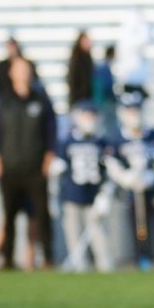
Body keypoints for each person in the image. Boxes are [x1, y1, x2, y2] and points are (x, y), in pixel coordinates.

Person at [0, 57, 57, 270]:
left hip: (35, 168)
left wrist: (49, 157)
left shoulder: (41, 100)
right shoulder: (4, 101)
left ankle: (48, 258)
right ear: (11, 73)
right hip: (10, 168)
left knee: (42, 215)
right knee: (9, 216)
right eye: (19, 70)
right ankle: (8, 260)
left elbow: (51, 131)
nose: (23, 74)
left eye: (26, 70)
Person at [107, 92, 154, 270]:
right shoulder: (118, 139)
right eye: (130, 111)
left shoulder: (153, 136)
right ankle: (143, 262)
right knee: (138, 230)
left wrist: (153, 175)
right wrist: (126, 178)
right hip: (132, 192)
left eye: (136, 110)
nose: (134, 114)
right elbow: (112, 164)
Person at [56, 100, 112, 272]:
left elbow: (109, 170)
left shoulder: (101, 142)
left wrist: (105, 193)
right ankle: (80, 268)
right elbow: (59, 168)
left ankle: (105, 267)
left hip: (94, 196)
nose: (90, 120)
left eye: (92, 116)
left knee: (99, 235)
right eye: (86, 116)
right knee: (73, 234)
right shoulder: (67, 142)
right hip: (72, 195)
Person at [91, 44, 118, 140]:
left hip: (102, 101)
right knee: (106, 125)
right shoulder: (104, 68)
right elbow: (106, 86)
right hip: (105, 102)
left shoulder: (102, 66)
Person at [67, 30, 94, 110]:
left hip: (88, 99)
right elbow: (72, 81)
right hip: (79, 100)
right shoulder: (77, 60)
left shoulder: (88, 58)